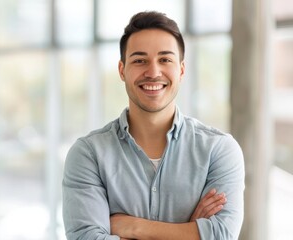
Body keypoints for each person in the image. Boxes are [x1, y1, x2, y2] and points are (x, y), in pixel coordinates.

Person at [62, 11, 245, 240]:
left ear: (181, 69)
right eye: (139, 60)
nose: (153, 72)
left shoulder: (218, 150)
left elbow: (222, 235)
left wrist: (134, 228)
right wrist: (189, 231)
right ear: (122, 70)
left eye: (165, 60)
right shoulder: (88, 154)